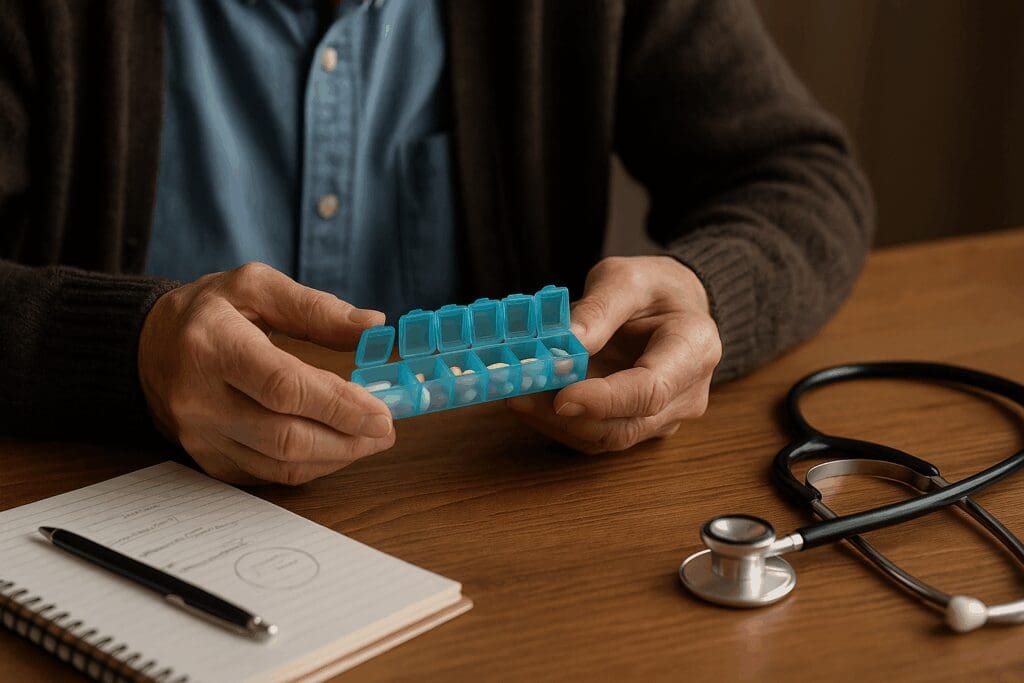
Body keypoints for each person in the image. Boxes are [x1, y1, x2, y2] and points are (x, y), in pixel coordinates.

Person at [0, 1, 872, 485]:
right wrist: (130, 352)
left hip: (485, 523)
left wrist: (701, 289)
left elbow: (800, 177)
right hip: (108, 524)